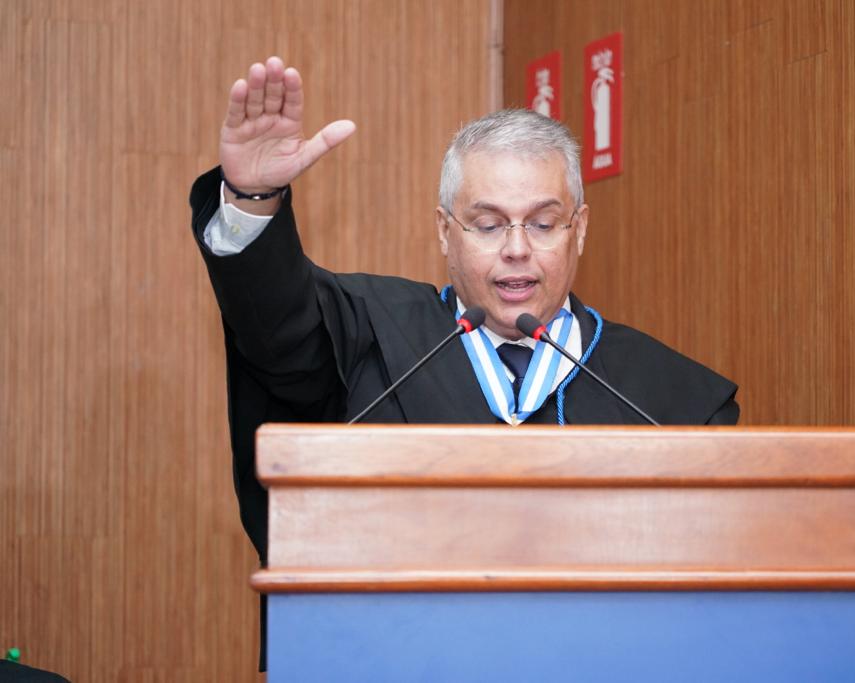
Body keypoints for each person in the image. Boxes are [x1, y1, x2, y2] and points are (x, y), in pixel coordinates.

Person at [191, 57, 739, 664]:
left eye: (543, 223)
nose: (517, 249)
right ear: (444, 232)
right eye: (487, 224)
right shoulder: (372, 334)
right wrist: (254, 198)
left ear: (579, 229)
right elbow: (277, 325)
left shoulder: (672, 400)